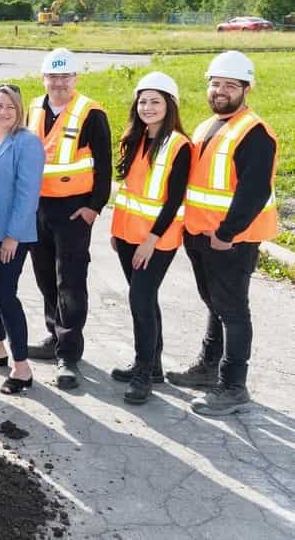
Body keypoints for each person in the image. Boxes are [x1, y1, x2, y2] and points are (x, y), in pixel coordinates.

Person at [168, 51, 277, 416]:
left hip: (229, 240)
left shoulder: (254, 132)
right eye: (215, 84)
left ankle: (233, 386)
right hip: (201, 235)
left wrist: (227, 233)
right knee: (215, 305)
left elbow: (254, 190)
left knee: (232, 311)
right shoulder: (208, 125)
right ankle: (208, 366)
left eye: (230, 85)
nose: (220, 91)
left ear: (246, 88)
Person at [26, 48, 112, 389]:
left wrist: (94, 207)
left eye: (65, 77)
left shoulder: (91, 113)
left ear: (75, 79)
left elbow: (104, 166)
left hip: (74, 209)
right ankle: (54, 334)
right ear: (43, 78)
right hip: (38, 208)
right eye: (53, 77)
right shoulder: (34, 107)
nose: (59, 83)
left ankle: (69, 354)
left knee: (71, 281)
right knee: (45, 275)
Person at [109, 72, 192, 406]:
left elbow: (173, 200)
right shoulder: (134, 138)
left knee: (140, 300)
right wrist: (116, 231)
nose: (147, 107)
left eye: (155, 101)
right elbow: (129, 192)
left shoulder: (179, 146)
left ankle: (144, 373)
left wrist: (151, 240)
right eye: (143, 101)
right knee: (143, 299)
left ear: (169, 105)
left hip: (156, 239)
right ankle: (152, 365)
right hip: (127, 234)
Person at [0, 84, 45, 394]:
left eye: (10, 107)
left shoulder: (26, 143)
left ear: (19, 111)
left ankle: (22, 367)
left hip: (10, 234)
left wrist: (13, 236)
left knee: (5, 294)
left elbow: (29, 194)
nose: (2, 112)